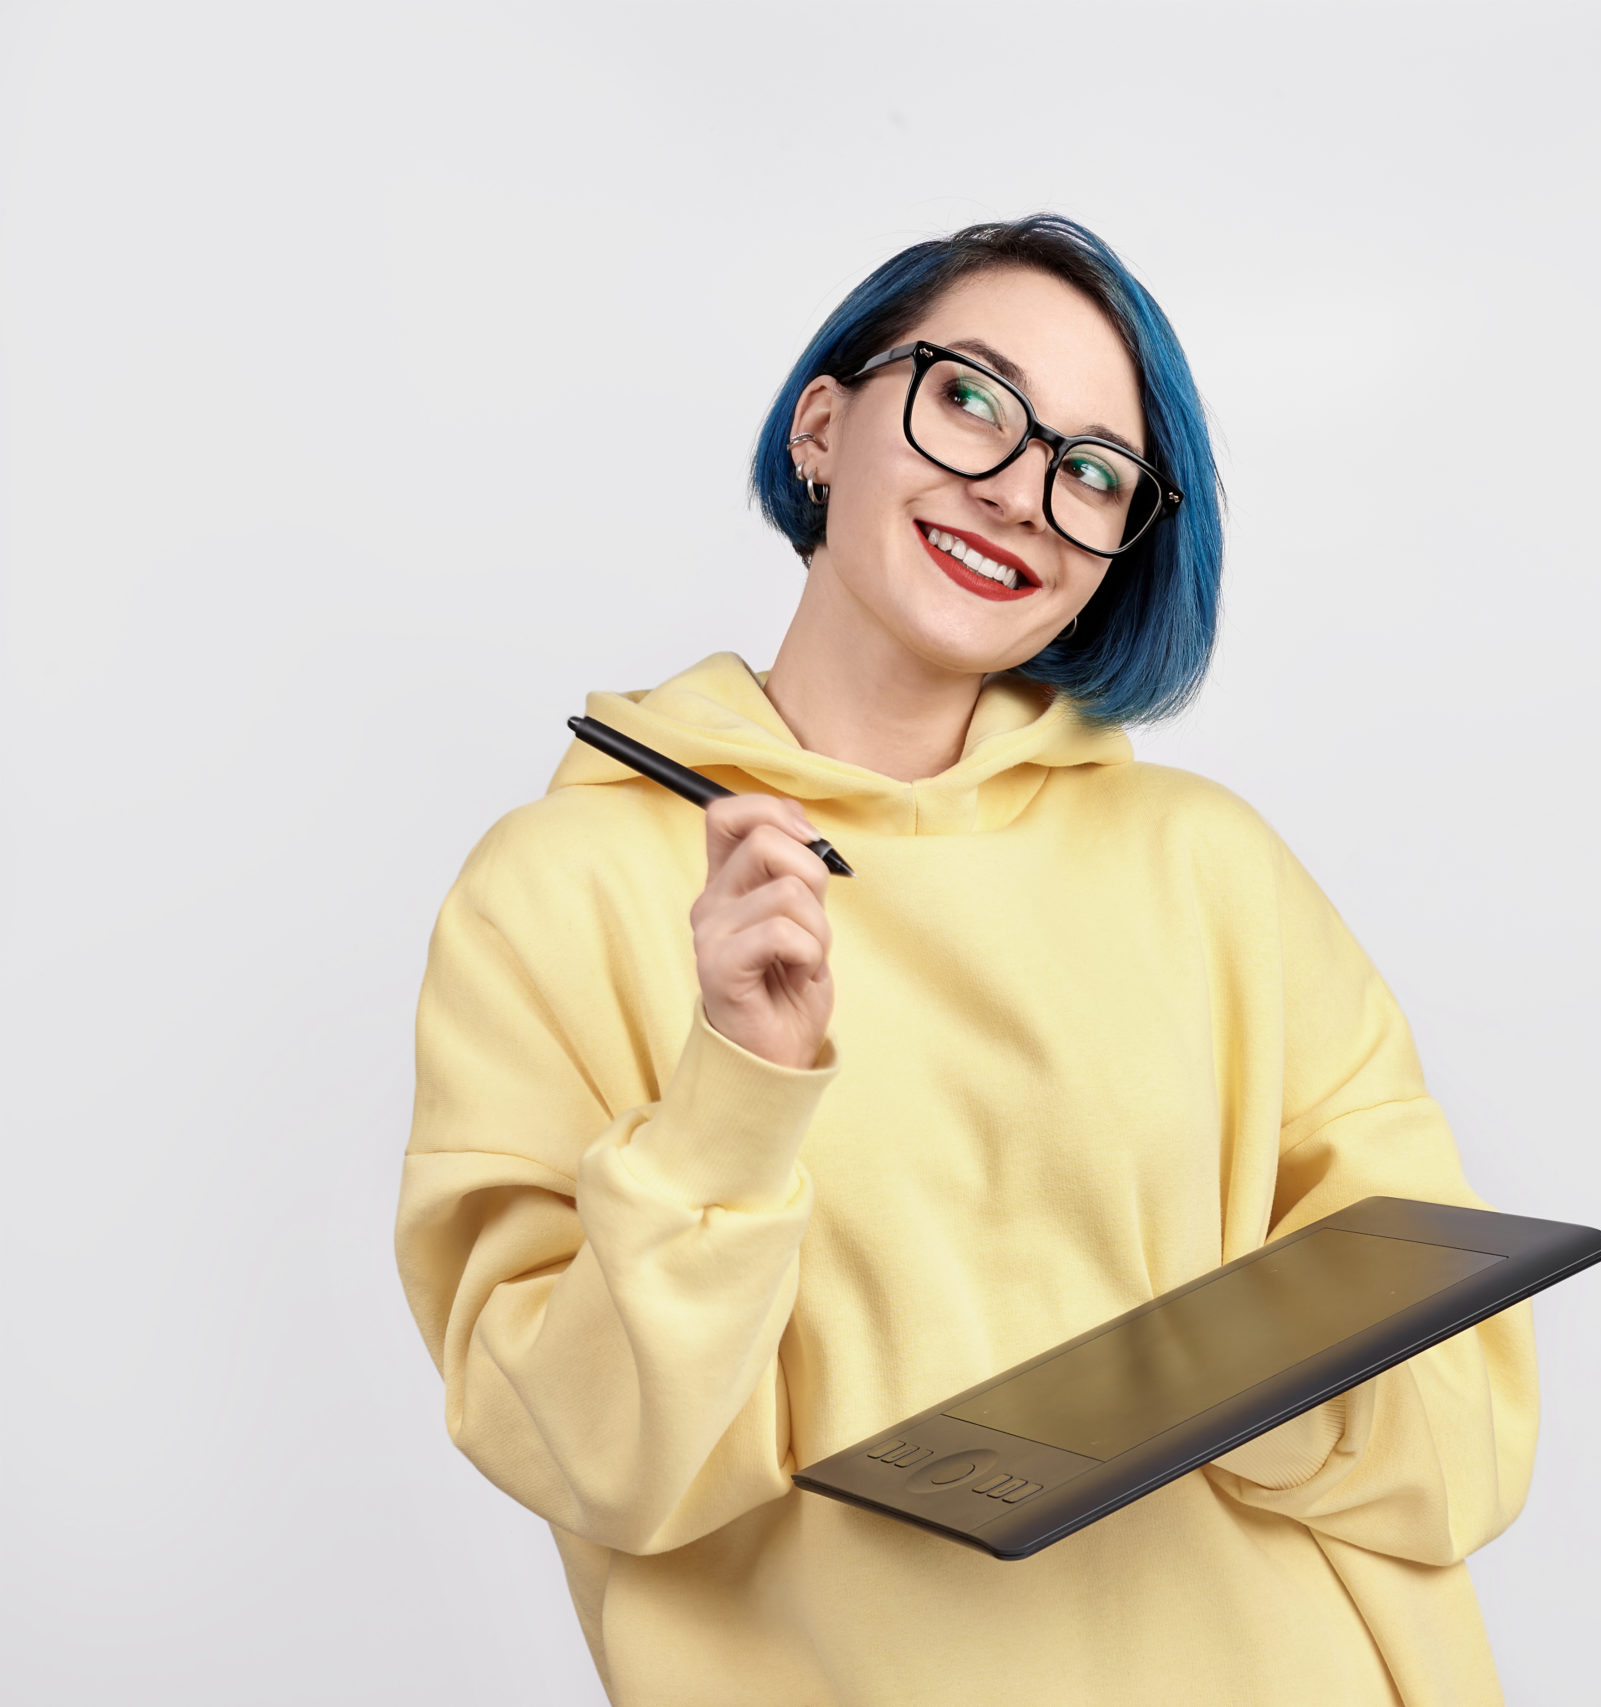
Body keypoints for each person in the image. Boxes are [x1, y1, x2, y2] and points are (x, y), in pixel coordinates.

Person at [393, 214, 1539, 1707]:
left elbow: (1472, 1431)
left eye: (1092, 474)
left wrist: (1233, 1394)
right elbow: (591, 1457)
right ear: (824, 422)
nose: (1017, 497)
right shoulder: (561, 896)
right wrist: (739, 1088)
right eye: (971, 400)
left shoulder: (1209, 870)